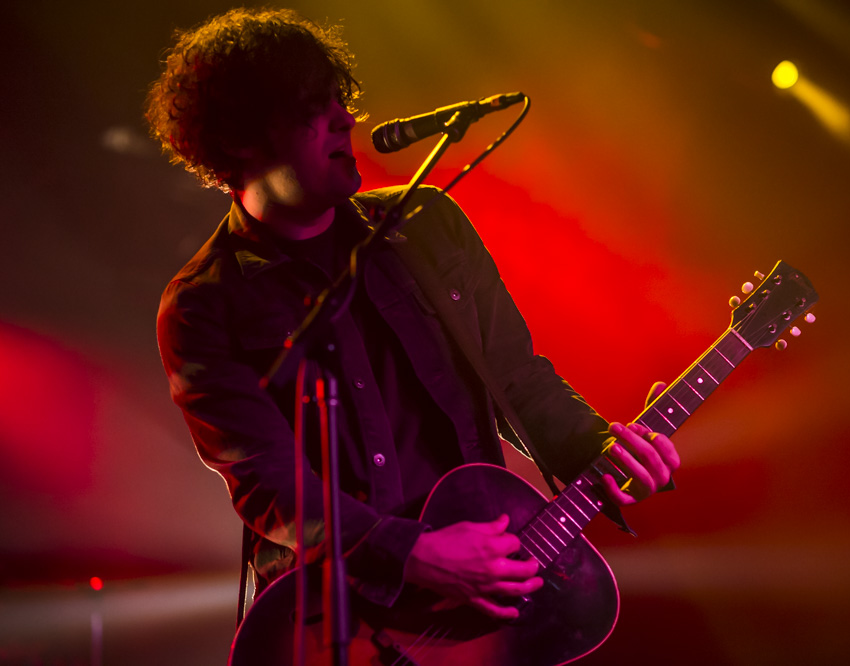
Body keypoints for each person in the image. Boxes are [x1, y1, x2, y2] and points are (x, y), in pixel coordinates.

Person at [147, 7, 680, 625]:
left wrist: (599, 451)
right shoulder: (202, 304)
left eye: (339, 99)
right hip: (344, 620)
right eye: (313, 109)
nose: (346, 118)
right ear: (241, 139)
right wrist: (412, 553)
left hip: (482, 597)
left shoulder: (428, 223)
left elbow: (518, 378)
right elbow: (268, 482)